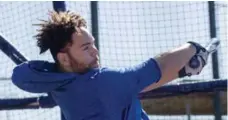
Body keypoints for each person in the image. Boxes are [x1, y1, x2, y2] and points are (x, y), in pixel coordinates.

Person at [12, 11, 209, 120]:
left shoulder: (57, 84)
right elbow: (156, 69)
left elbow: (20, 75)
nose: (95, 51)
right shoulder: (101, 82)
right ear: (64, 58)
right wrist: (192, 48)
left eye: (94, 44)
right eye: (86, 47)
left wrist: (182, 70)